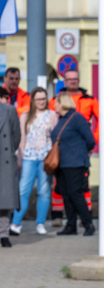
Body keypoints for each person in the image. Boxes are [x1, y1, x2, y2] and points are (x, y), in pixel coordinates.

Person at [10, 88, 57, 236]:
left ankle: (40, 223)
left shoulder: (52, 115)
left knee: (44, 192)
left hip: (46, 158)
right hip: (28, 157)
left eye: (44, 99)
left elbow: (56, 139)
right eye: (38, 99)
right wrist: (19, 159)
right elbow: (21, 139)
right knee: (23, 191)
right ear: (33, 101)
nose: (42, 102)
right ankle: (16, 223)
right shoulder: (25, 116)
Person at [52, 93, 96, 236]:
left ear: (63, 103)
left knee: (75, 194)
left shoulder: (77, 118)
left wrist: (82, 152)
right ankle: (71, 226)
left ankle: (88, 224)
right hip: (62, 164)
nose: (54, 105)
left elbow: (90, 140)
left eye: (56, 102)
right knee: (66, 194)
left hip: (75, 163)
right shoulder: (61, 119)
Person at [0, 98, 20, 246]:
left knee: (4, 201)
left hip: (4, 159)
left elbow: (16, 137)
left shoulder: (9, 110)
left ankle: (4, 234)